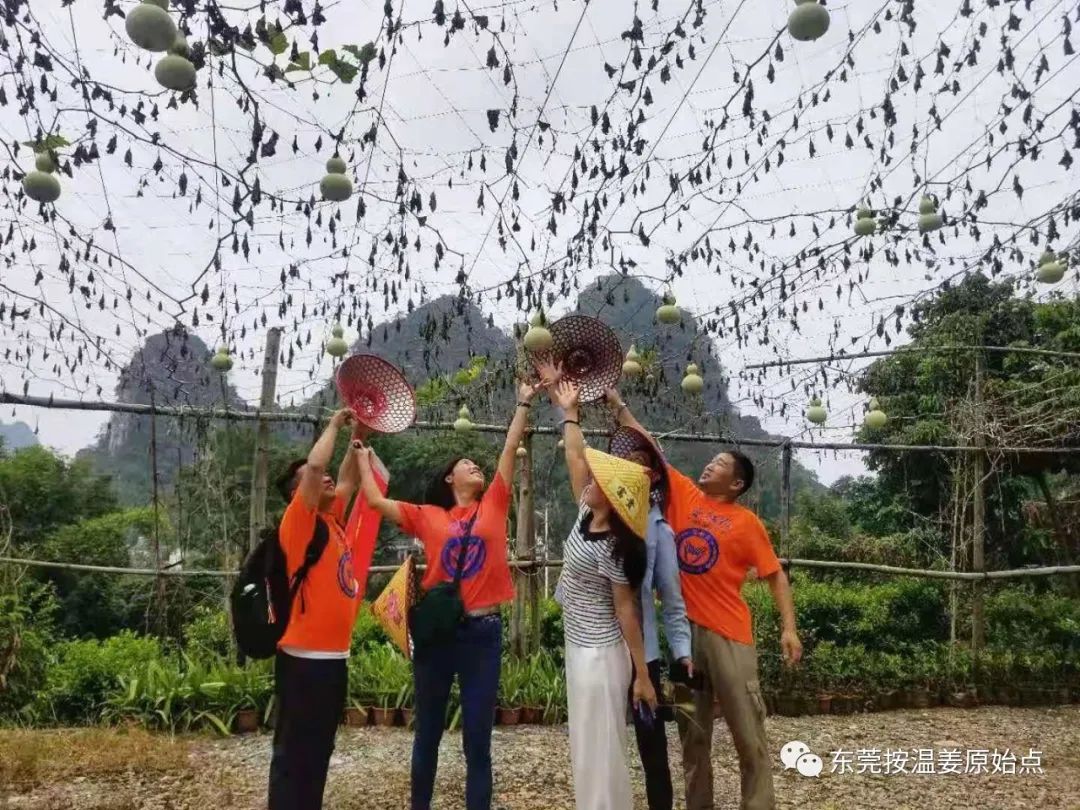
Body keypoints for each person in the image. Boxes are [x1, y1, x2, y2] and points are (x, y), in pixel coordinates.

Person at [608, 392, 803, 810]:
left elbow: (775, 575)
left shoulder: (747, 523)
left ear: (736, 484)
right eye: (711, 460)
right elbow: (652, 448)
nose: (710, 465)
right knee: (691, 732)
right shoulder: (684, 496)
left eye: (720, 463)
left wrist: (789, 628)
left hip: (730, 637)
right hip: (685, 642)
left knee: (748, 732)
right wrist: (620, 405)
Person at [354, 380, 542, 810]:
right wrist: (362, 457)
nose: (475, 466)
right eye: (465, 464)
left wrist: (524, 401)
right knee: (428, 735)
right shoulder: (428, 515)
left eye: (476, 464)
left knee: (478, 741)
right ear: (449, 478)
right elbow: (375, 501)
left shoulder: (494, 503)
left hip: (483, 634)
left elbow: (509, 447)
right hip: (438, 635)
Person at [547, 378, 658, 810]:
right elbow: (575, 455)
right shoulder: (585, 515)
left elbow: (626, 611)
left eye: (598, 481)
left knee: (602, 745)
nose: (589, 480)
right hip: (579, 646)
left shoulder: (614, 545)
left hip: (600, 654)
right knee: (585, 740)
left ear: (611, 498)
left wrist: (642, 675)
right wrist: (570, 412)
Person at [269, 408, 377, 810]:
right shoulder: (299, 523)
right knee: (293, 755)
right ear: (299, 493)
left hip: (332, 660)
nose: (327, 478)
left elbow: (347, 477)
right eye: (315, 479)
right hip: (302, 662)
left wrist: (359, 433)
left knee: (318, 751)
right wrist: (334, 424)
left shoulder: (331, 519)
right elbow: (317, 467)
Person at [607, 418, 692, 810]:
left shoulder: (660, 530)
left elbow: (672, 601)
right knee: (604, 736)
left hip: (644, 654)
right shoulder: (601, 512)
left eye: (643, 463)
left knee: (651, 742)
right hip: (600, 645)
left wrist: (682, 652)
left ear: (655, 475)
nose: (634, 468)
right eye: (628, 462)